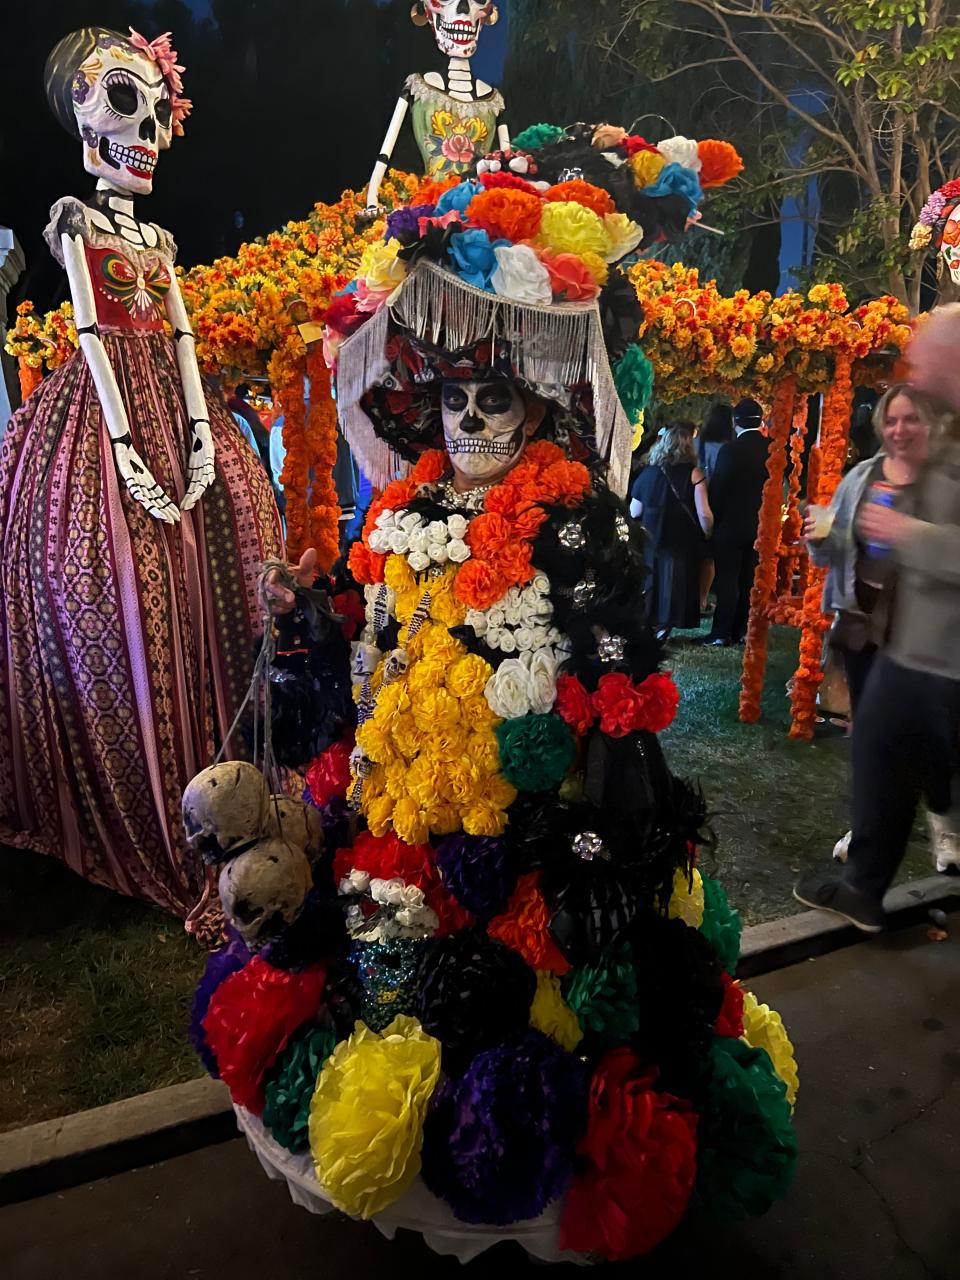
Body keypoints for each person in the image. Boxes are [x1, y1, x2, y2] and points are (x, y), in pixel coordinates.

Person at [0, 28, 283, 918]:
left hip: (171, 400)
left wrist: (205, 435)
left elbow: (186, 340)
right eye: (126, 102)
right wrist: (125, 452)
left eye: (160, 110)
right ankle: (165, 800)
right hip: (106, 405)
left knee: (233, 540)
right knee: (104, 571)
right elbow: (90, 333)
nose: (149, 129)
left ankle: (239, 776)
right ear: (81, 112)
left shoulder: (157, 240)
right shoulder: (75, 222)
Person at [795, 306, 960, 931]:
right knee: (885, 750)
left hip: (938, 652)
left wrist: (907, 534)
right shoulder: (879, 469)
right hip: (902, 643)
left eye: (932, 359)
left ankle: (868, 885)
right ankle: (864, 887)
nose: (919, 370)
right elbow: (837, 542)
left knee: (901, 753)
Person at [804, 384, 938, 861]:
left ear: (930, 425)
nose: (899, 429)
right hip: (862, 628)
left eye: (911, 419)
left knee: (923, 736)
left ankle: (940, 820)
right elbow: (831, 549)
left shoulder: (942, 484)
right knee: (872, 735)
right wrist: (818, 535)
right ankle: (866, 830)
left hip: (923, 634)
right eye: (892, 419)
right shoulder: (861, 476)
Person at [631, 423, 713, 637]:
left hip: (652, 536)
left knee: (653, 579)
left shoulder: (648, 474)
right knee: (675, 581)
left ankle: (652, 622)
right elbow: (703, 513)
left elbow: (634, 511)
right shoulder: (694, 474)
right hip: (681, 540)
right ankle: (668, 623)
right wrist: (708, 533)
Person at [703, 398, 770, 646]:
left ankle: (721, 632)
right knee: (748, 581)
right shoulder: (771, 449)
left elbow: (718, 488)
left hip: (729, 525)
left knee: (728, 580)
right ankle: (742, 630)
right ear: (762, 420)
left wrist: (713, 519)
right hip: (759, 525)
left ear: (735, 422)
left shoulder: (730, 450)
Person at [697, 404, 734, 611]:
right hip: (718, 506)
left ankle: (690, 598)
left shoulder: (697, 444)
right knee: (709, 557)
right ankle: (702, 600)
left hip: (693, 502)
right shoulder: (728, 448)